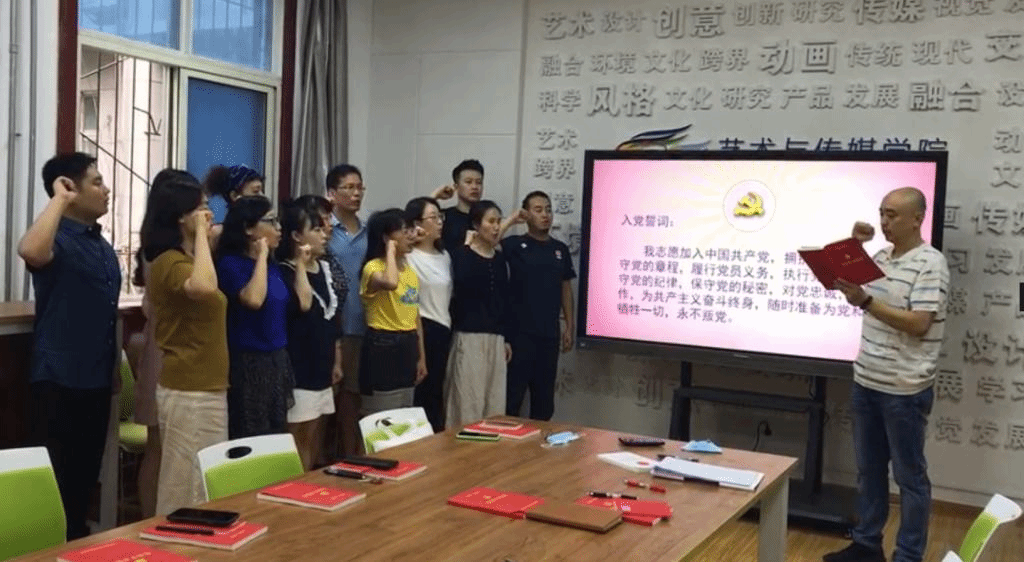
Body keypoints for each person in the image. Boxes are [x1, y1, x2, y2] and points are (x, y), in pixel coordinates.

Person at [824, 187, 949, 562]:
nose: (884, 222)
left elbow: (919, 324)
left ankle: (908, 555)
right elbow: (842, 281)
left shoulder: (930, 264)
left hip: (904, 389)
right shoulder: (880, 257)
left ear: (917, 219)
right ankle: (866, 545)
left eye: (892, 215)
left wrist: (866, 301)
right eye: (881, 213)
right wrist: (853, 245)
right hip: (866, 380)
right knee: (869, 471)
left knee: (910, 478)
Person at [18, 152, 120, 540]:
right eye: (97, 182)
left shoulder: (101, 245)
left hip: (97, 379)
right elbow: (30, 251)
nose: (106, 189)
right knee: (54, 483)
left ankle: (76, 546)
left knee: (83, 481)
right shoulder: (56, 237)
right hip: (58, 379)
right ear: (71, 189)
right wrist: (59, 199)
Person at [140, 170, 228, 516]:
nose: (209, 214)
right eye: (201, 207)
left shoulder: (190, 260)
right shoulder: (169, 262)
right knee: (183, 485)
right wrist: (203, 236)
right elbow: (203, 287)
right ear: (181, 216)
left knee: (203, 481)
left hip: (207, 386)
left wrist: (202, 238)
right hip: (188, 388)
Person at [129, 169, 198, 518]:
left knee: (178, 449)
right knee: (159, 446)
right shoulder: (162, 253)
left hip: (182, 349)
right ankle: (150, 518)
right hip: (164, 349)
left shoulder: (184, 247)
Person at [216, 195, 293, 438]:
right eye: (270, 221)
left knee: (276, 432)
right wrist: (260, 256)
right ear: (249, 228)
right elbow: (254, 299)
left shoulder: (273, 266)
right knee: (251, 432)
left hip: (277, 357)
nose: (278, 228)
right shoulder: (231, 264)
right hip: (248, 360)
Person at [277, 201, 341, 470]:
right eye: (316, 229)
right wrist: (302, 264)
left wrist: (337, 360)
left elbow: (333, 319)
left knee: (315, 436)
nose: (324, 235)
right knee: (296, 438)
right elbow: (303, 304)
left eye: (324, 229)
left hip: (323, 364)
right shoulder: (284, 270)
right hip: (299, 366)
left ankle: (309, 481)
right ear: (296, 236)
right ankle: (293, 486)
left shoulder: (325, 269)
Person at [503, 191, 576, 421]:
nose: (545, 215)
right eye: (538, 210)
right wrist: (510, 221)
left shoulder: (560, 249)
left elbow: (566, 288)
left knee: (544, 403)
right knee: (512, 398)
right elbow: (487, 244)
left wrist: (569, 326)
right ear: (526, 214)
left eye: (548, 209)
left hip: (549, 335)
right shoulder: (514, 245)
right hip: (519, 335)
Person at [445, 200, 513, 428]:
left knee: (494, 401)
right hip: (469, 335)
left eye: (499, 222)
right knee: (467, 401)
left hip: (496, 337)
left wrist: (505, 338)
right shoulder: (460, 255)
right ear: (476, 225)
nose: (496, 227)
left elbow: (503, 300)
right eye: (490, 221)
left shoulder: (501, 259)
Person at [359, 208, 428, 414]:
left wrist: (421, 357)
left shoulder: (410, 272)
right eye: (404, 231)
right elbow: (390, 282)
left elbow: (415, 317)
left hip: (408, 343)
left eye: (410, 230)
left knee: (404, 412)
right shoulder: (373, 267)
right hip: (383, 344)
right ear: (386, 237)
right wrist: (390, 250)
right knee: (382, 415)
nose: (410, 236)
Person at [326, 164, 368, 456]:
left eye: (359, 188)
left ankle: (349, 456)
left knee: (353, 400)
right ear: (332, 192)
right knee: (326, 401)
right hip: (332, 326)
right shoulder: (325, 230)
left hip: (362, 323)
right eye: (349, 188)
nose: (356, 194)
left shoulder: (369, 232)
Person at [405, 197, 452, 432]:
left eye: (440, 217)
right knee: (421, 394)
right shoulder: (408, 256)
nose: (440, 222)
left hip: (443, 328)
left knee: (436, 394)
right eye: (433, 218)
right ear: (417, 224)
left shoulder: (445, 256)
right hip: (422, 326)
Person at [433, 159, 484, 255]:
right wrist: (436, 195)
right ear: (456, 187)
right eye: (468, 182)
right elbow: (416, 221)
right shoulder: (444, 216)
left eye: (479, 182)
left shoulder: (486, 218)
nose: (474, 187)